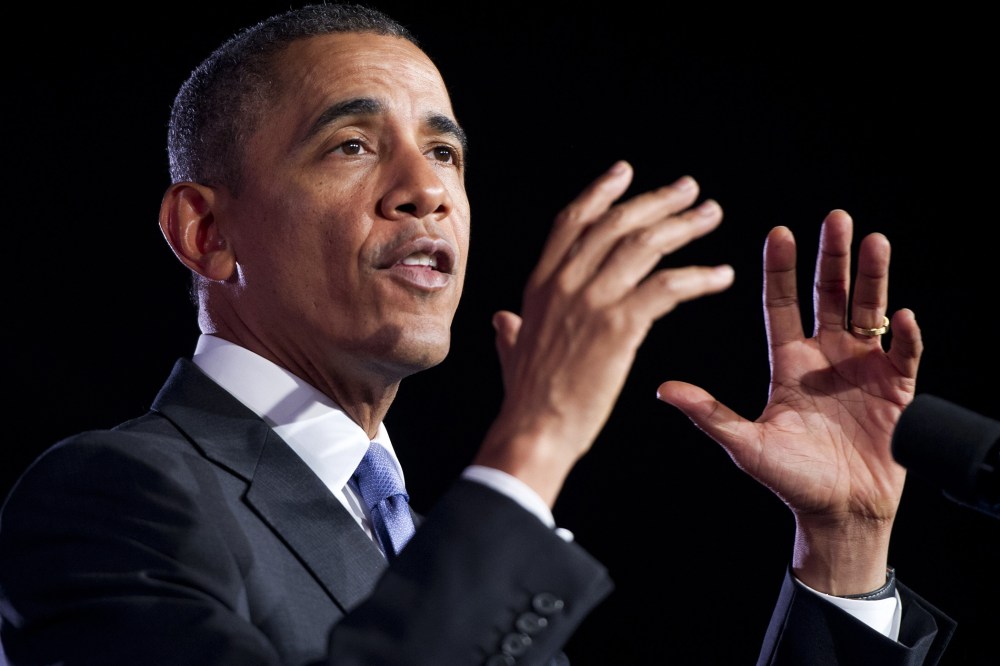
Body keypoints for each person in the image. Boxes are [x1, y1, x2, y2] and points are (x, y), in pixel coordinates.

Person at [0, 3, 956, 665]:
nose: (428, 190)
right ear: (207, 232)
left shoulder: (436, 549)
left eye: (445, 150)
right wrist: (537, 438)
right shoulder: (112, 496)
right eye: (352, 144)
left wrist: (843, 552)